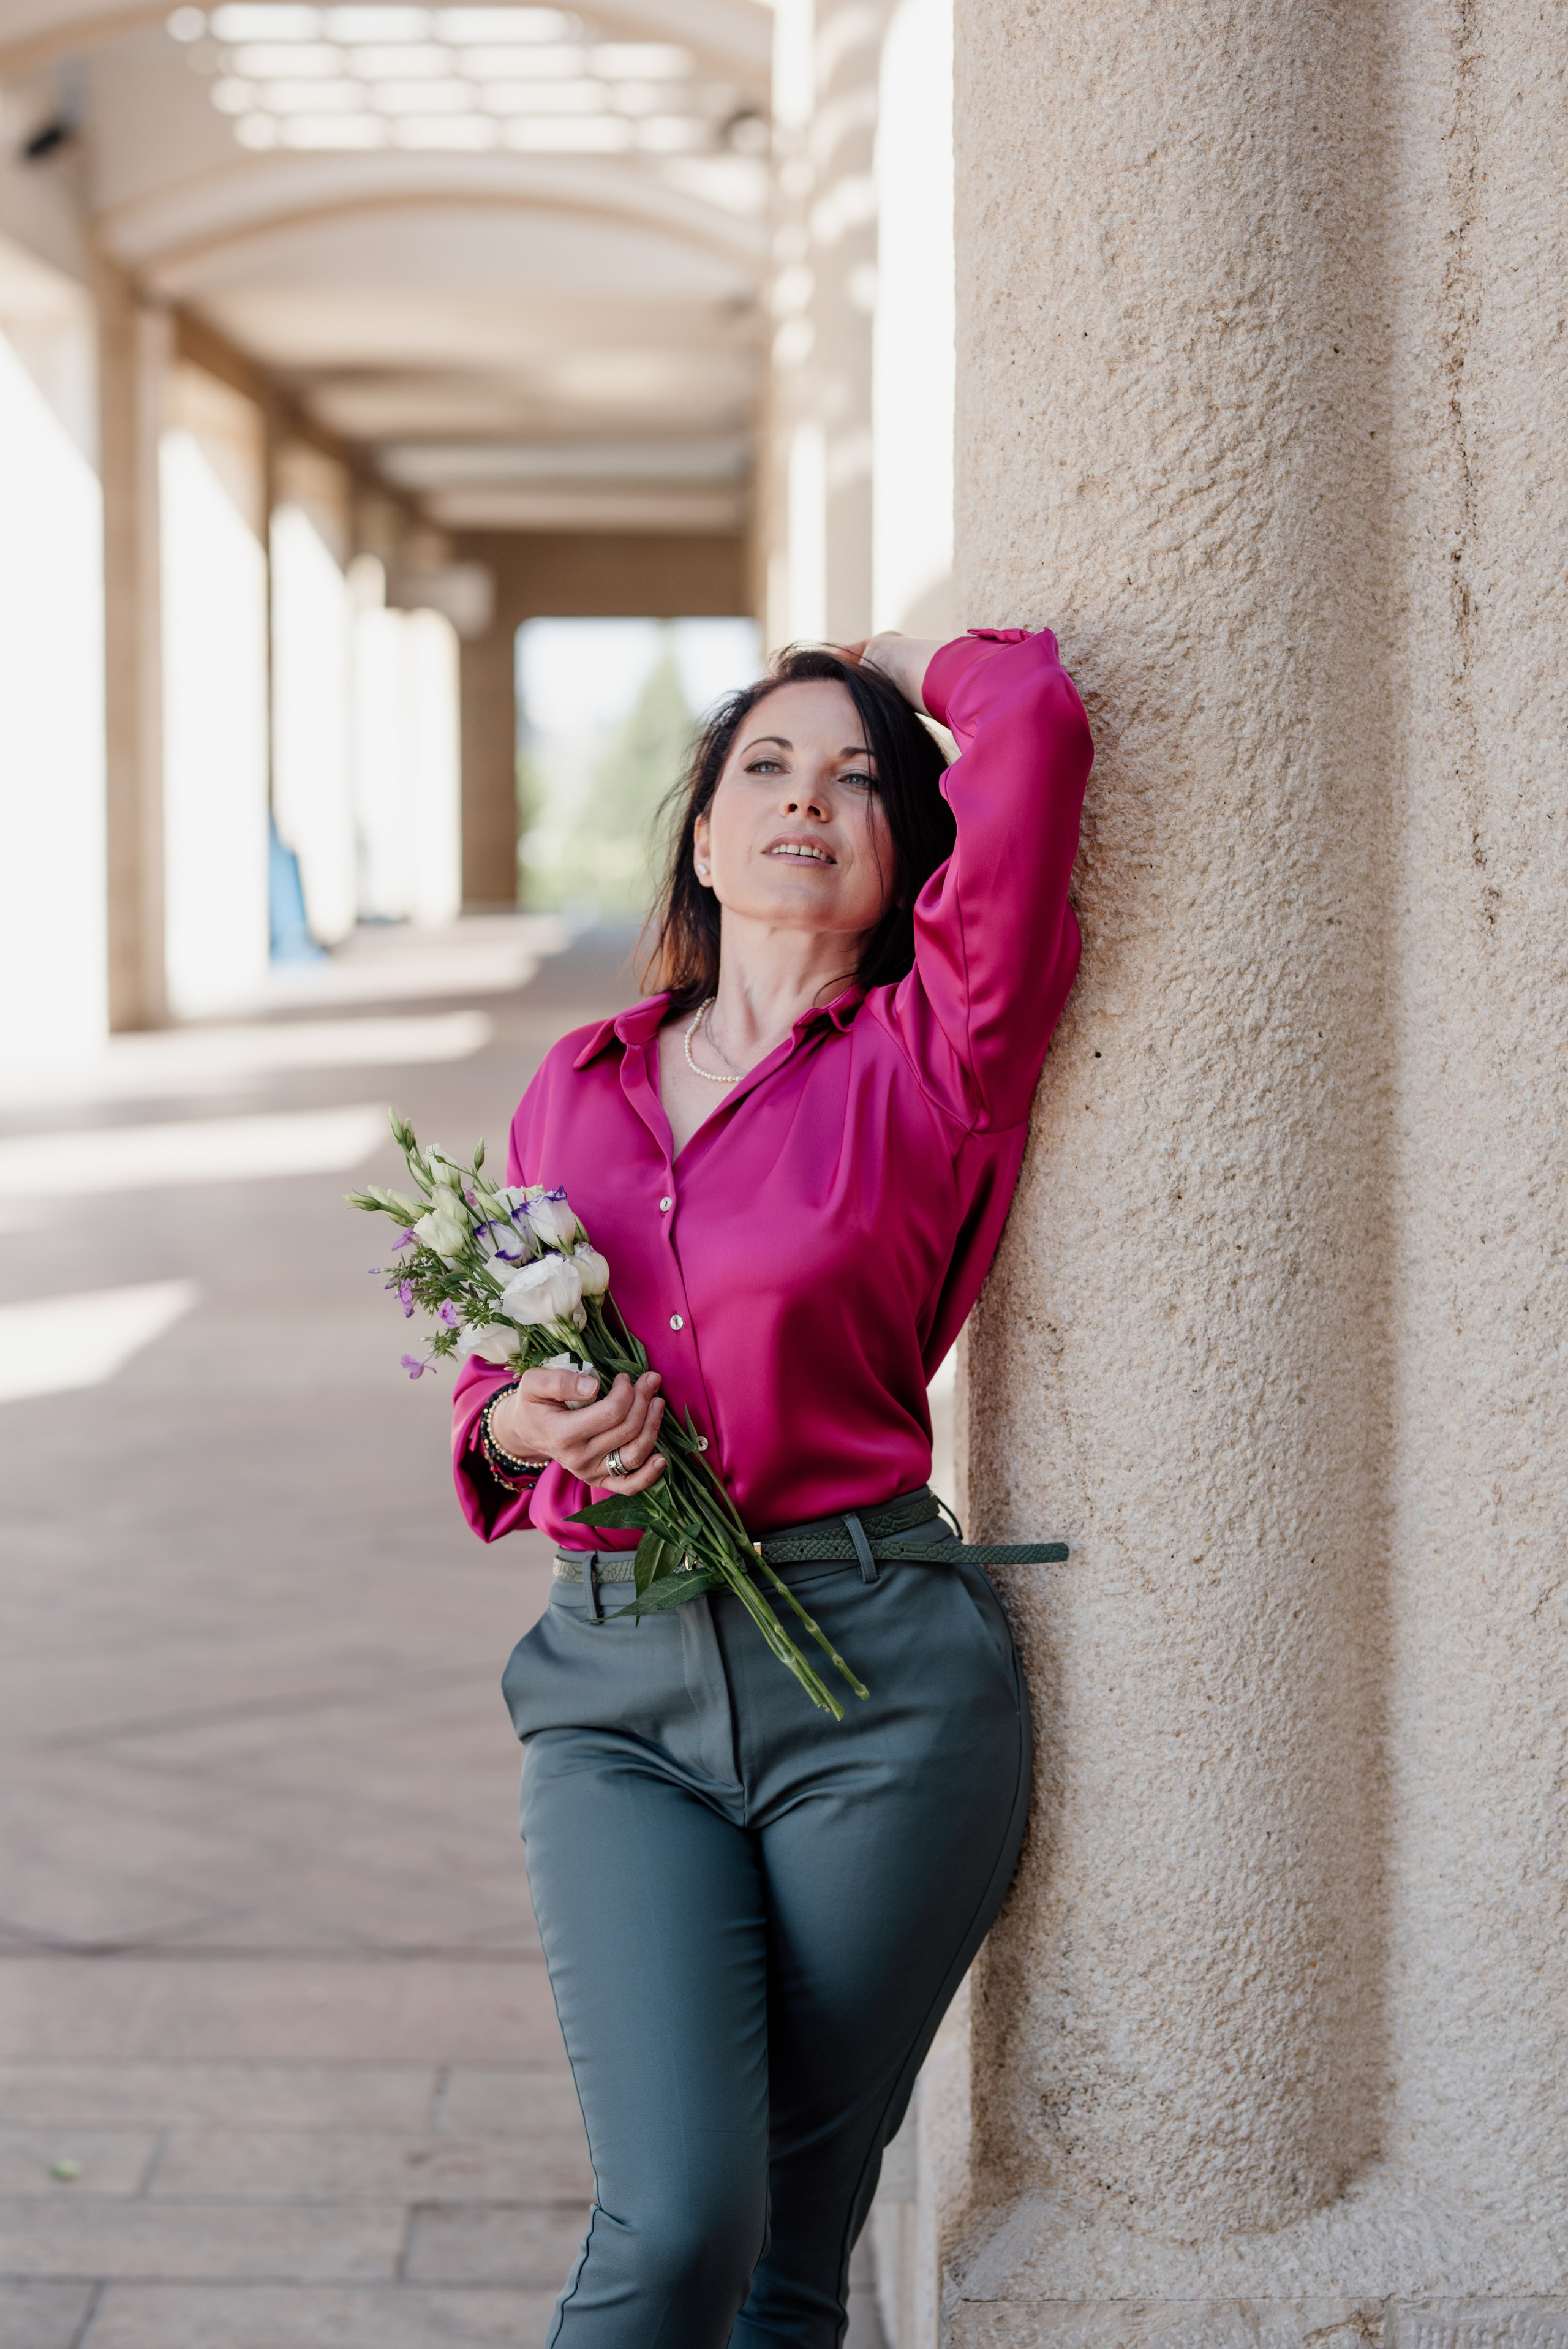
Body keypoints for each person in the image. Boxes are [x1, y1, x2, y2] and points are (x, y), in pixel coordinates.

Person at [450, 626, 1093, 2348]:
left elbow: (1028, 718)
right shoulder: (572, 1092)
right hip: (614, 1691)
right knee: (678, 2222)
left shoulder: (938, 1056)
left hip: (879, 1691)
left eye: (860, 776)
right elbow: (488, 1386)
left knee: (791, 2256)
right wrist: (533, 1424)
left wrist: (909, 660)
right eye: (767, 768)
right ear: (706, 837)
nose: (809, 797)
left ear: (902, 859)